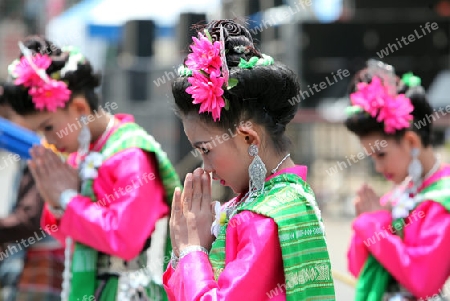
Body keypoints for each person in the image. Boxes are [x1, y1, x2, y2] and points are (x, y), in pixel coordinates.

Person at [163, 19, 336, 300]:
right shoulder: (283, 200)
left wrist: (192, 250)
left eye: (206, 149)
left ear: (248, 139)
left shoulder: (262, 217)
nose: (205, 168)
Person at [2, 36, 181, 300]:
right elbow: (75, 240)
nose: (46, 140)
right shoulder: (82, 153)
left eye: (48, 127)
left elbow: (125, 240)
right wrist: (54, 202)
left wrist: (67, 198)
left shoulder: (131, 153)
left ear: (79, 107)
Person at [345, 60, 450, 301]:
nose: (379, 167)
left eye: (381, 155)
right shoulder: (396, 196)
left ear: (411, 141)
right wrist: (367, 221)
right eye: (372, 158)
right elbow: (358, 269)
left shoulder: (443, 199)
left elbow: (424, 281)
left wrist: (374, 225)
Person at [0, 84, 65, 300]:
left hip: (40, 264)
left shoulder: (40, 153)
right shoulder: (28, 153)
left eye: (10, 116)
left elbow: (29, 219)